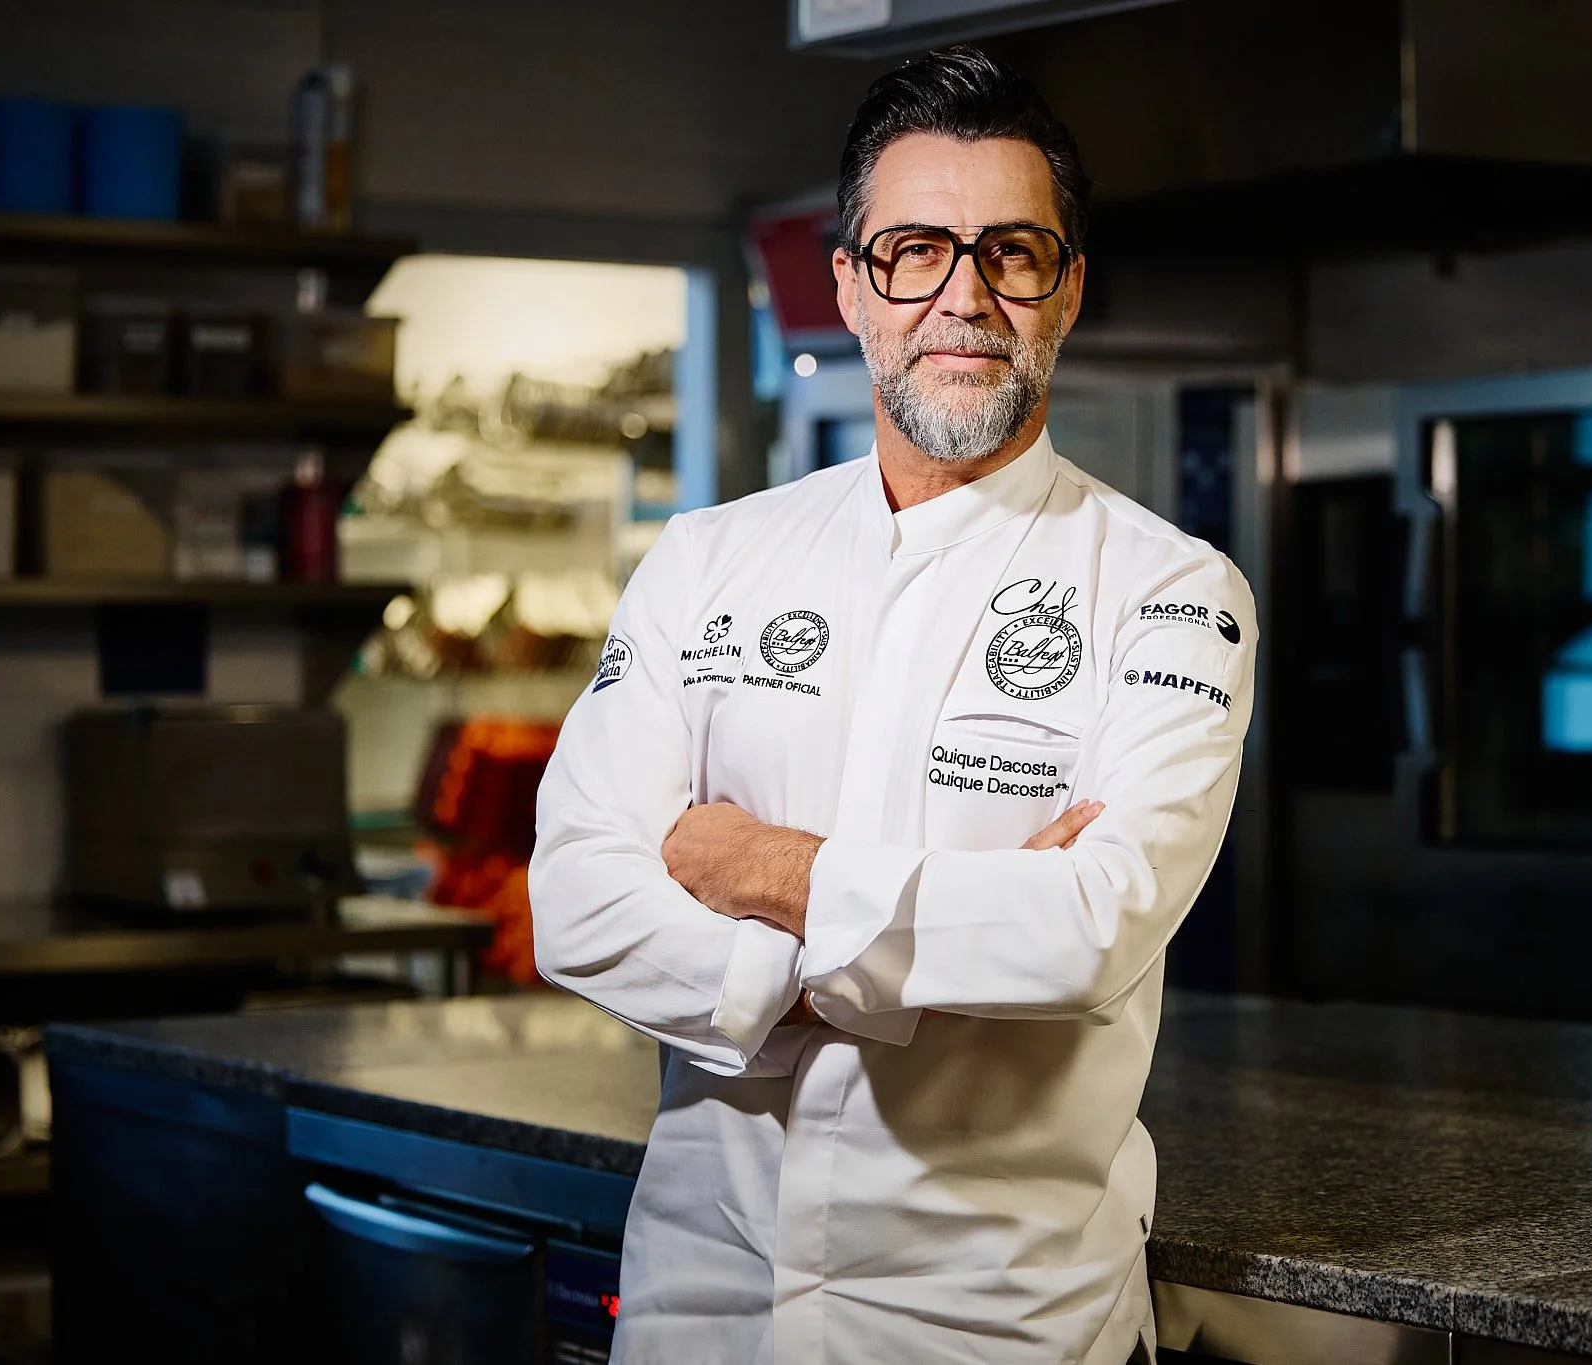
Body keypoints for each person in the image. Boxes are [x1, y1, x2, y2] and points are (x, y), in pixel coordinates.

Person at [531, 44, 1256, 1365]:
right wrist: (918, 948)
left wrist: (751, 867)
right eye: (916, 249)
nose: (963, 296)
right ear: (852, 287)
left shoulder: (1168, 589)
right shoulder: (708, 558)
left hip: (994, 1325)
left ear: (1068, 292)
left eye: (1013, 253)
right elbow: (577, 899)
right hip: (709, 1302)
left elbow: (1090, 928)